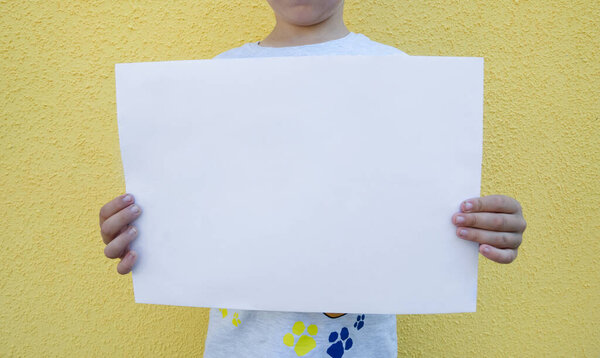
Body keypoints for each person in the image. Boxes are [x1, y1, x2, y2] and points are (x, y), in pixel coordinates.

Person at [100, 1, 527, 356]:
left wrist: (486, 226)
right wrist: (141, 228)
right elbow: (192, 209)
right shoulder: (213, 80)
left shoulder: (402, 77)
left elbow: (424, 214)